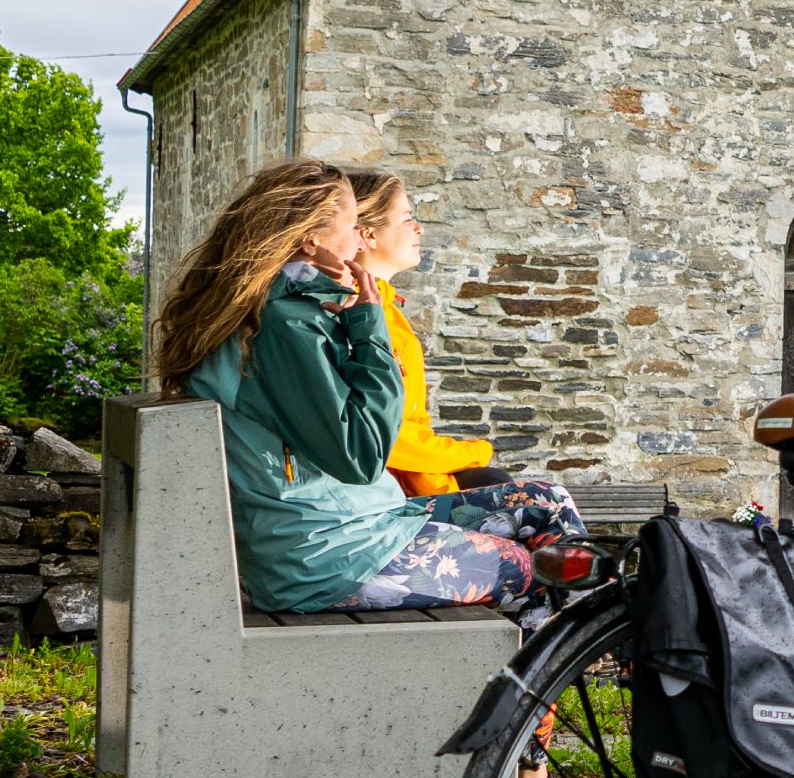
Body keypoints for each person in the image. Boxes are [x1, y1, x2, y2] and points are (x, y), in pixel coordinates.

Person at [152, 160, 580, 613]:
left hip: (361, 525)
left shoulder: (287, 312)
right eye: (354, 225)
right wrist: (369, 325)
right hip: (331, 558)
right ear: (310, 239)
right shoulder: (282, 328)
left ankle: (619, 658)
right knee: (538, 570)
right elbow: (362, 454)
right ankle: (544, 679)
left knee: (545, 500)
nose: (361, 239)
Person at [348, 168, 502, 495]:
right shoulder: (356, 315)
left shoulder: (387, 311)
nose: (419, 228)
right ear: (368, 234)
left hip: (416, 485)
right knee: (534, 500)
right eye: (406, 219)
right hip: (395, 496)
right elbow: (392, 437)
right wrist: (475, 452)